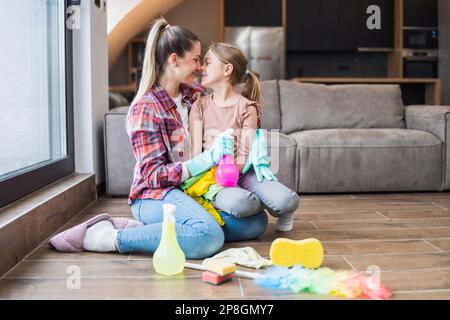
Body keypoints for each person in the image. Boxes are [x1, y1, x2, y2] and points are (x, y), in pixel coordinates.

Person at [48, 18, 268, 259]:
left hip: (192, 189)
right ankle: (109, 236)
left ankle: (164, 231)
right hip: (153, 195)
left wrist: (251, 140)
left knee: (255, 223)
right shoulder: (146, 109)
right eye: (195, 59)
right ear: (175, 60)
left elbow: (235, 109)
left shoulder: (195, 96)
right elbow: (153, 175)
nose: (200, 67)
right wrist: (208, 159)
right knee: (210, 238)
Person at [189, 42, 299, 232]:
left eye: (207, 63)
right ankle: (253, 202)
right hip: (212, 175)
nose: (202, 68)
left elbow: (245, 152)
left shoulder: (248, 107)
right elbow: (194, 150)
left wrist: (232, 172)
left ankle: (277, 207)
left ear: (227, 69)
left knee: (286, 201)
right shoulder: (199, 105)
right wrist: (215, 174)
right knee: (244, 204)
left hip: (244, 171)